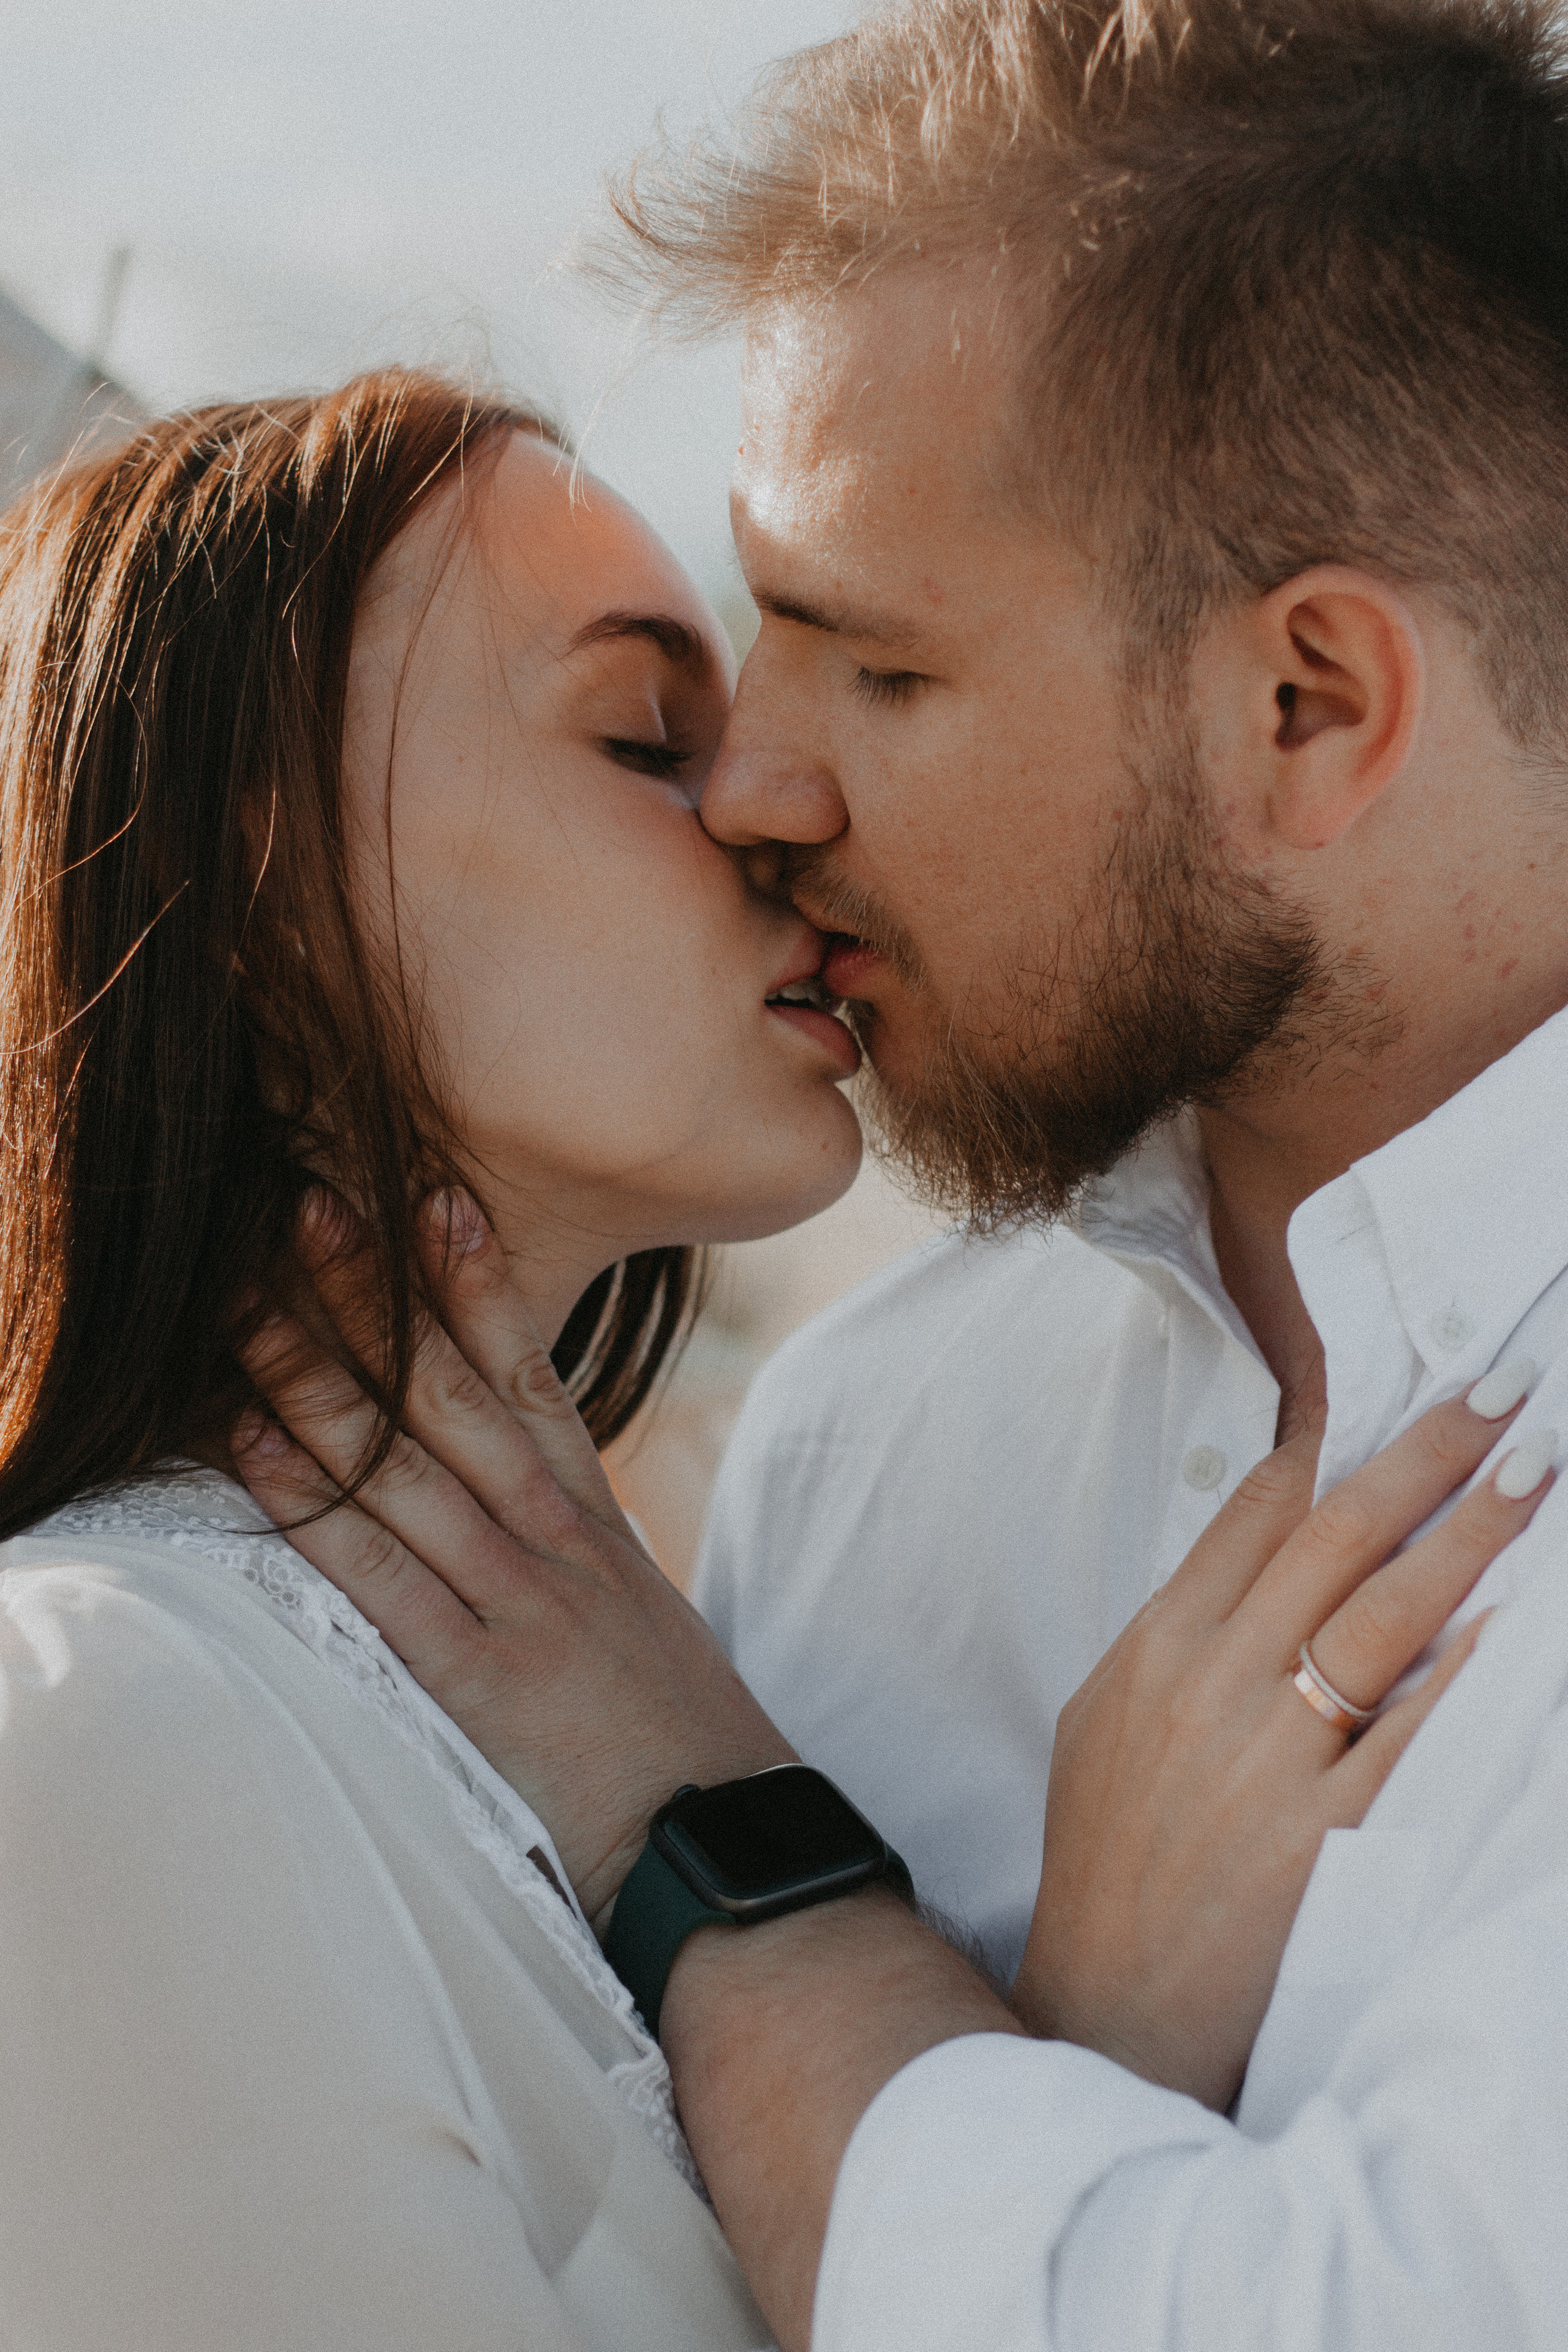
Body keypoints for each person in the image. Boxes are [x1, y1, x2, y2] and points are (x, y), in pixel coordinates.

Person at [230, 0, 1568, 2347]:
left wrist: (722, 1848)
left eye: (875, 664)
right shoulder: (871, 1452)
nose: (750, 783)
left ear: (1312, 709)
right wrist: (1070, 2042)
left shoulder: (648, 1680)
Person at [0, 366, 872, 2350]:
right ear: (259, 885)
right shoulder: (90, 1721)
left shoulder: (653, 1679)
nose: (783, 809)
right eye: (652, 734)